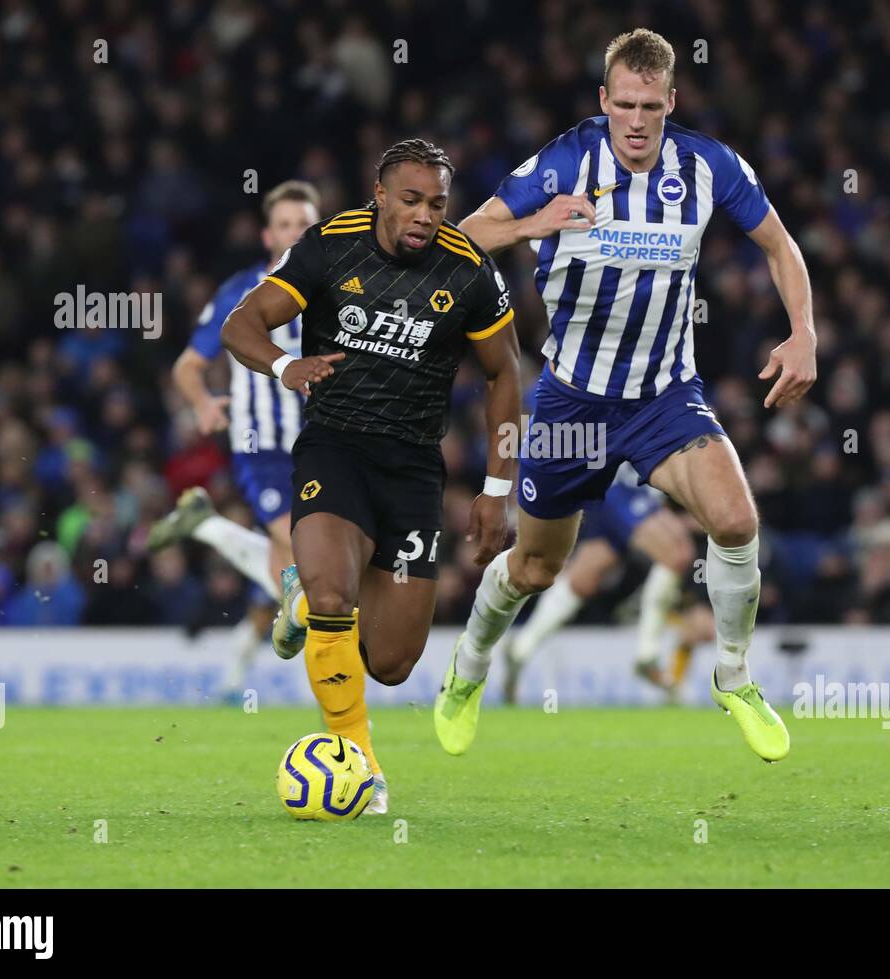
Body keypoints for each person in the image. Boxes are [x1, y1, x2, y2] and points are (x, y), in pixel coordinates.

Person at [434, 28, 817, 763]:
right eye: (625, 105)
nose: (637, 121)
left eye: (652, 106)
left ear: (672, 101)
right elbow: (465, 235)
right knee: (535, 567)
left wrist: (804, 332)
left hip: (661, 398)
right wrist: (533, 224)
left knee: (736, 519)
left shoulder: (707, 167)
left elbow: (780, 244)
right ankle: (470, 667)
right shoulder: (565, 160)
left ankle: (734, 674)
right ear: (603, 101)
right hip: (571, 402)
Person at [221, 139, 521, 815]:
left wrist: (498, 487)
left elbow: (505, 373)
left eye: (438, 203)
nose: (424, 216)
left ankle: (303, 608)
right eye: (410, 200)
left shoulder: (469, 270)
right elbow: (243, 324)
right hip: (336, 448)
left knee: (389, 661)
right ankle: (361, 762)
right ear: (380, 195)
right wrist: (283, 366)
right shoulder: (331, 244)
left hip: (414, 466)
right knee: (333, 593)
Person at [147, 181, 318, 694]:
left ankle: (208, 528)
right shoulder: (239, 293)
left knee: (299, 570)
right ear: (268, 234)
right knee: (298, 542)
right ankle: (333, 696)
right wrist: (201, 403)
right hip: (260, 444)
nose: (294, 234)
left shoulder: (337, 288)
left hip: (322, 444)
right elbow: (188, 366)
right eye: (285, 225)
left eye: (304, 226)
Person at [499, 462, 694, 702]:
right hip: (622, 487)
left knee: (582, 582)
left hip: (609, 486)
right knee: (678, 554)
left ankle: (521, 648)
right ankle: (647, 654)